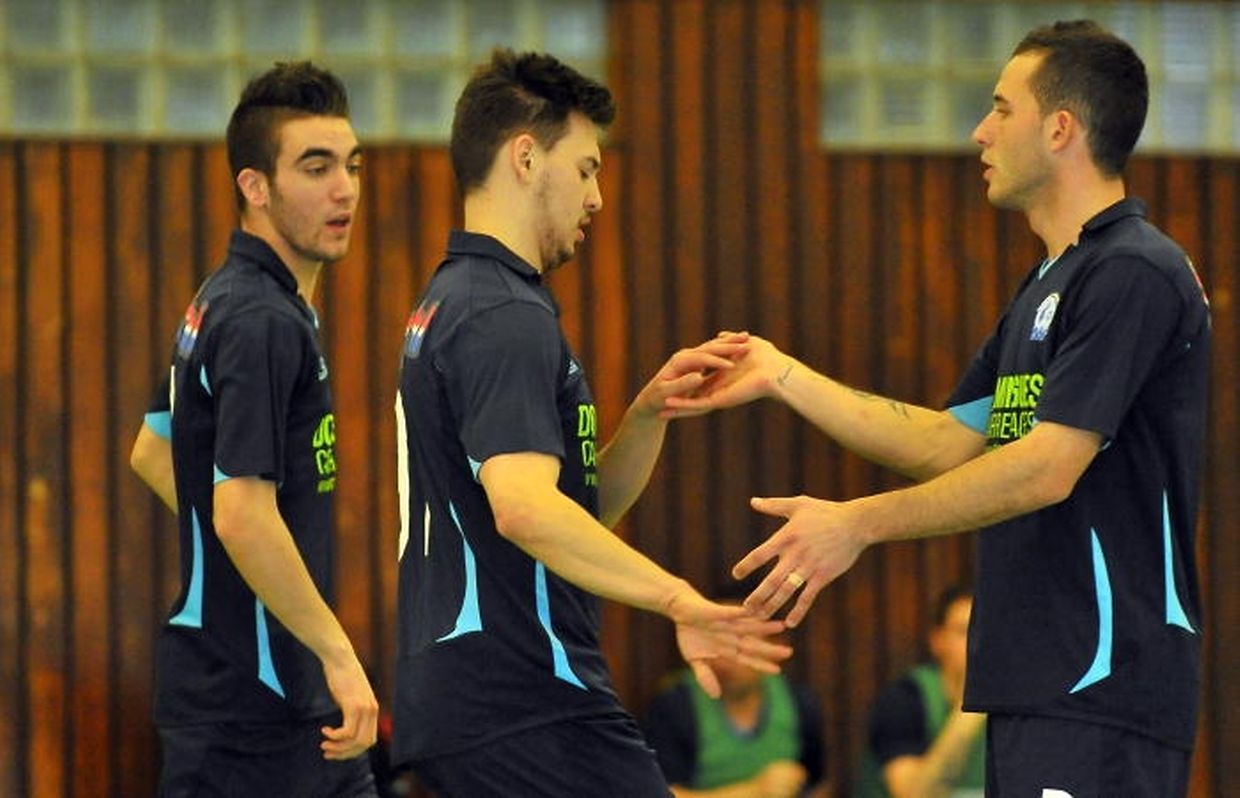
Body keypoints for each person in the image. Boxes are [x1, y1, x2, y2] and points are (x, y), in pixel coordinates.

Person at [673, 20, 1210, 798]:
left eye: (1001, 109)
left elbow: (1048, 467)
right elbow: (949, 440)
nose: (979, 131)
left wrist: (856, 523)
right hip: (1036, 686)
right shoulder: (1046, 284)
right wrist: (783, 375)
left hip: (1101, 682)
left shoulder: (1133, 271)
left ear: (1060, 129)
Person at [391, 49, 791, 797]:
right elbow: (524, 510)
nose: (598, 197)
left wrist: (647, 415)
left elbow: (572, 514)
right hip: (525, 696)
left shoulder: (457, 297)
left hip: (482, 699)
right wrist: (677, 597)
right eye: (585, 169)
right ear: (525, 158)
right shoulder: (502, 311)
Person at [128, 61, 378, 797]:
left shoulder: (227, 296)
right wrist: (338, 653)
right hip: (254, 713)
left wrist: (250, 553)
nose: (345, 189)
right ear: (255, 186)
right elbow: (240, 512)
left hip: (268, 697)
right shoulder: (262, 320)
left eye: (352, 166)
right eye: (316, 168)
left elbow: (155, 452)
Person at [643, 583, 830, 798]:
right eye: (714, 641)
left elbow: (818, 786)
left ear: (775, 645)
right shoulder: (675, 705)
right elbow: (658, 793)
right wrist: (753, 791)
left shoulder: (798, 702)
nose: (724, 658)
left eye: (740, 641)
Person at [855, 586, 984, 798]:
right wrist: (969, 709)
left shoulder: (1013, 699)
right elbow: (913, 794)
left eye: (986, 633)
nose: (978, 643)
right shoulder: (904, 699)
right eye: (964, 631)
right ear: (937, 640)